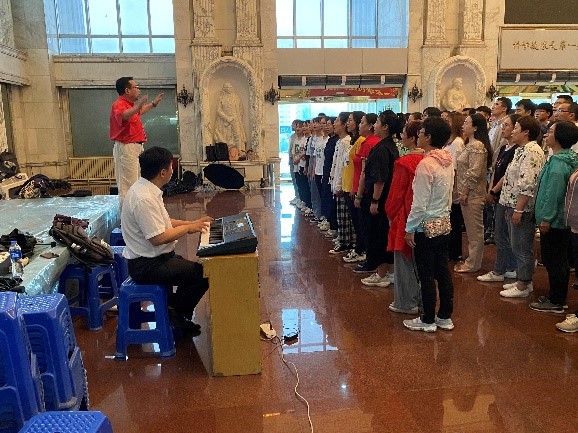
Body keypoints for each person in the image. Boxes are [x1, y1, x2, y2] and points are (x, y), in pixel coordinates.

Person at [121, 146, 212, 332]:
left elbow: (163, 222)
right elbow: (158, 237)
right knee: (201, 274)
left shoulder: (147, 189)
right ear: (162, 172)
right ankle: (175, 315)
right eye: (171, 167)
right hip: (147, 266)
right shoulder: (144, 198)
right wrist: (188, 228)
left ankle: (173, 311)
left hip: (155, 259)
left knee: (195, 270)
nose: (173, 170)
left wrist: (192, 223)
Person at [403, 117, 454, 332]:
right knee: (442, 271)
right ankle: (445, 316)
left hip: (425, 226)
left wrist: (410, 229)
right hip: (443, 222)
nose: (419, 135)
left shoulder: (426, 164)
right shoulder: (448, 160)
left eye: (422, 132)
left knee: (425, 274)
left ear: (429, 137)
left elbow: (420, 203)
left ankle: (427, 319)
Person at [529, 121, 578, 313]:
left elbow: (553, 194)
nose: (546, 134)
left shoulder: (559, 164)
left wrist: (546, 218)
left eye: (550, 132)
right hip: (559, 220)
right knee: (558, 259)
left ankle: (557, 300)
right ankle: (557, 296)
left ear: (559, 138)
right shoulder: (563, 158)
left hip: (554, 221)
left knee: (554, 260)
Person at [499, 116, 545, 298]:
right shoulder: (521, 149)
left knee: (521, 246)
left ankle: (523, 284)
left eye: (516, 127)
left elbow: (528, 184)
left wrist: (518, 209)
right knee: (516, 245)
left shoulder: (532, 151)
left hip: (522, 208)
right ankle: (522, 279)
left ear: (526, 132)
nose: (512, 131)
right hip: (513, 204)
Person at [385, 120, 424, 313]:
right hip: (427, 215)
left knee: (403, 260)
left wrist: (389, 213)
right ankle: (422, 300)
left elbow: (396, 194)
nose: (401, 137)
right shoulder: (432, 160)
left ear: (412, 138)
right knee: (422, 262)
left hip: (405, 215)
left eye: (404, 133)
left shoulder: (405, 162)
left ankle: (406, 301)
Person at [477, 114, 520, 283]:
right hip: (497, 194)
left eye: (507, 125)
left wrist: (494, 191)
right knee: (500, 233)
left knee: (503, 235)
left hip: (505, 195)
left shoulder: (517, 150)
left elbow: (507, 175)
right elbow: (496, 170)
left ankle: (503, 269)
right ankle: (506, 266)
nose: (503, 128)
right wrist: (490, 189)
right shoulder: (503, 148)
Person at [109, 76, 164, 205]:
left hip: (135, 148)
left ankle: (137, 213)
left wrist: (153, 104)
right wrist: (139, 105)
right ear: (127, 90)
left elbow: (138, 112)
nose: (139, 89)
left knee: (138, 183)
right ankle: (128, 217)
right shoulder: (119, 104)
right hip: (127, 148)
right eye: (136, 87)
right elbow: (124, 115)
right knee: (129, 186)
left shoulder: (129, 106)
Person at [454, 113, 492, 273]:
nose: (463, 125)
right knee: (471, 230)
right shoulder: (469, 144)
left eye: (467, 123)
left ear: (475, 128)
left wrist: (464, 192)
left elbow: (474, 172)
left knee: (475, 230)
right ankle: (471, 260)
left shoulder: (477, 146)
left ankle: (473, 263)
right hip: (467, 192)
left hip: (473, 194)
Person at [213, 82, 247, 159]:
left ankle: (240, 152)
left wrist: (236, 117)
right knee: (226, 137)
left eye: (230, 88)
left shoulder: (236, 98)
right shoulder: (221, 98)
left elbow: (240, 109)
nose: (230, 89)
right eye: (228, 88)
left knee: (238, 135)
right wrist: (226, 118)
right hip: (225, 121)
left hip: (235, 119)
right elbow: (218, 110)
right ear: (225, 89)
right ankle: (226, 153)